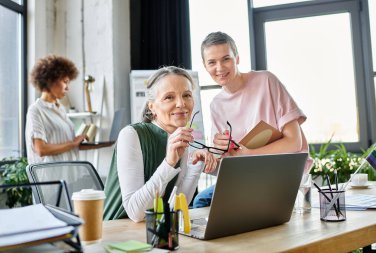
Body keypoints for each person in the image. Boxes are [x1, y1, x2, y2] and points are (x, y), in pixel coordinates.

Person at [193, 31, 312, 208]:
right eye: (212, 62)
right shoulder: (216, 105)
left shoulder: (266, 81)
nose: (220, 68)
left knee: (210, 202)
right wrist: (217, 151)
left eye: (226, 59)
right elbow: (226, 162)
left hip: (282, 173)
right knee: (200, 201)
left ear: (237, 58)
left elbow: (294, 142)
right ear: (205, 66)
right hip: (247, 177)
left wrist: (247, 153)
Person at [103, 66, 218, 222]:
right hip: (118, 231)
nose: (181, 104)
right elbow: (136, 213)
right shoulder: (131, 135)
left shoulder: (181, 137)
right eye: (169, 97)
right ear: (152, 106)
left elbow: (175, 205)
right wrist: (169, 162)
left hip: (157, 230)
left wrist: (195, 166)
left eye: (186, 95)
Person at [25, 55, 87, 165]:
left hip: (68, 175)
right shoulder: (36, 110)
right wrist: (72, 143)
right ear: (50, 80)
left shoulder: (61, 109)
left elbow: (62, 143)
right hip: (51, 178)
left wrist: (78, 142)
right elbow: (41, 150)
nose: (67, 88)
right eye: (65, 81)